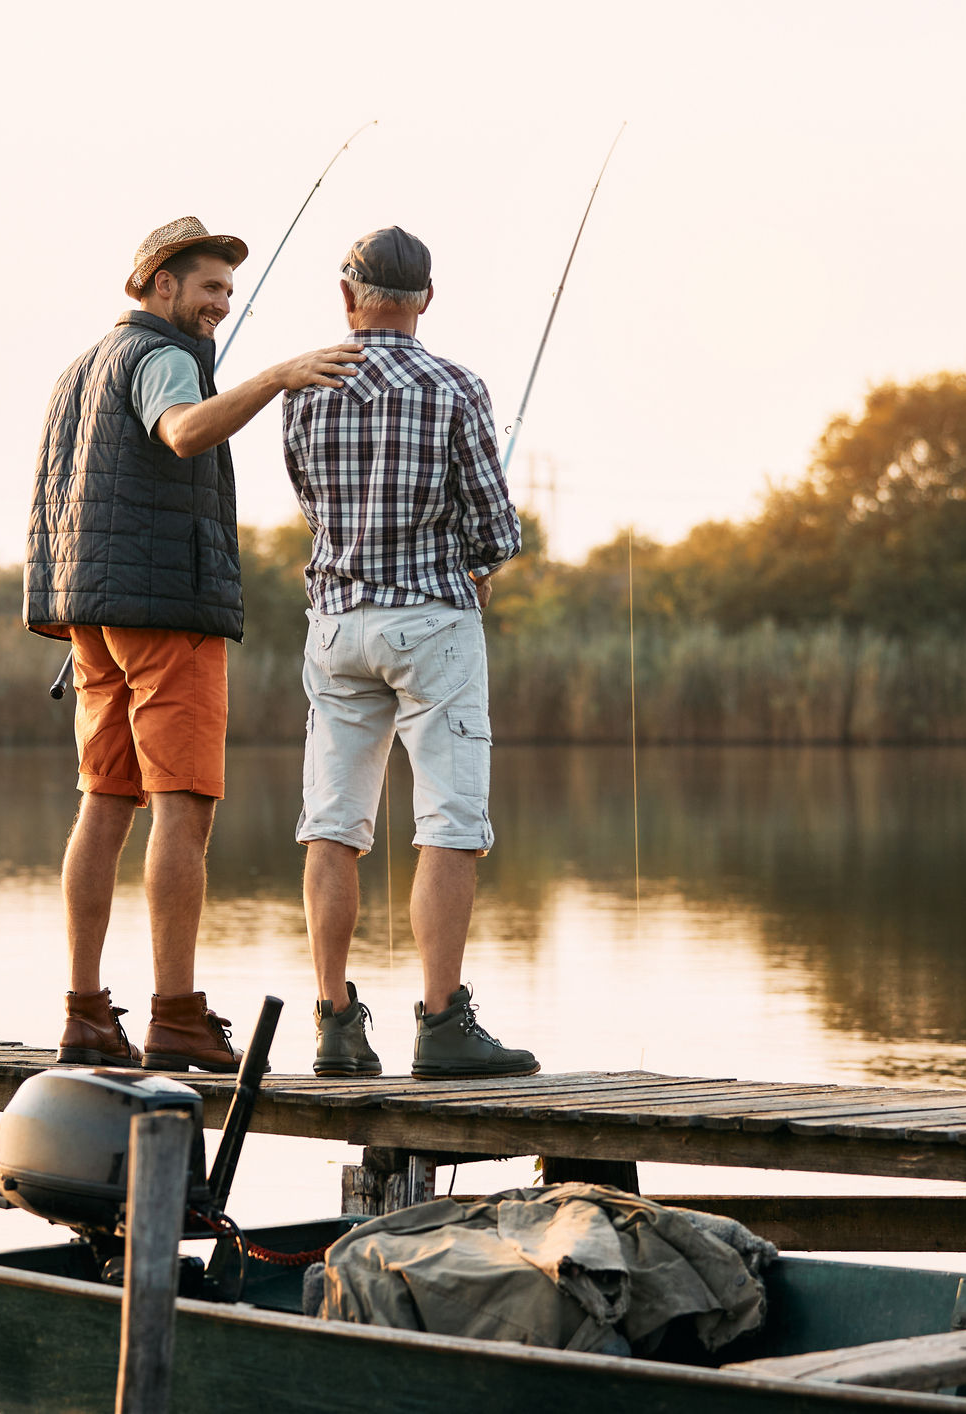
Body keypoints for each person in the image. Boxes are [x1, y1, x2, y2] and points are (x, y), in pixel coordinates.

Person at [25, 216, 362, 1072]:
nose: (221, 303)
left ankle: (85, 1013)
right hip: (164, 608)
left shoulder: (81, 367)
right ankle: (175, 1015)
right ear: (160, 282)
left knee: (105, 800)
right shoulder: (161, 357)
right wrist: (277, 376)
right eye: (210, 286)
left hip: (89, 612)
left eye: (228, 290)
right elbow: (181, 432)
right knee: (183, 804)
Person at [282, 226, 538, 1079]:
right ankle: (441, 1025)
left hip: (334, 626)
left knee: (332, 823)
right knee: (449, 823)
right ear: (426, 297)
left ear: (346, 296)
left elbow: (311, 505)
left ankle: (334, 1022)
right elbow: (496, 528)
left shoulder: (303, 390)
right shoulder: (455, 386)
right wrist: (475, 564)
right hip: (430, 624)